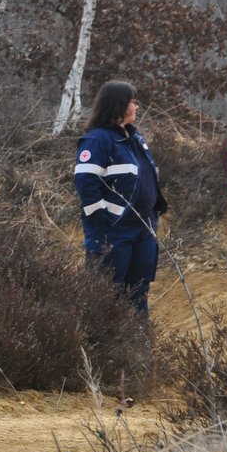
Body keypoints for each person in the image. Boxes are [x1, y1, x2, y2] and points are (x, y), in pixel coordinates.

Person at [74, 80, 167, 314]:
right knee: (105, 295)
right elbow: (86, 183)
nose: (137, 106)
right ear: (119, 104)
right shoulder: (97, 140)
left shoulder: (135, 139)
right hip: (112, 234)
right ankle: (102, 348)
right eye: (133, 101)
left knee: (138, 292)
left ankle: (139, 345)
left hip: (142, 229)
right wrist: (104, 221)